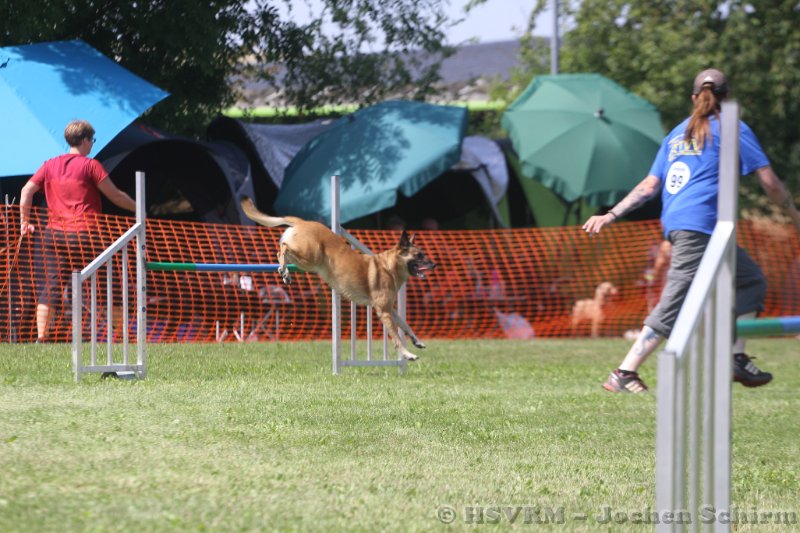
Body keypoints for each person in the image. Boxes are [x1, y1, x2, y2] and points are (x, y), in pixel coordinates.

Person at [582, 68, 800, 393]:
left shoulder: (677, 134)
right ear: (728, 97)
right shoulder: (733, 127)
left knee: (750, 280)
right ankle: (624, 372)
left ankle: (736, 357)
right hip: (701, 225)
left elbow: (649, 186)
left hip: (687, 224)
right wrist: (794, 214)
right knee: (676, 298)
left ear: (694, 97)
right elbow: (770, 183)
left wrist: (612, 213)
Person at [20, 119, 137, 342]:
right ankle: (122, 335)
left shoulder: (49, 165)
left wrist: (24, 222)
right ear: (84, 140)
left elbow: (26, 191)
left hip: (54, 236)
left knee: (51, 287)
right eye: (92, 140)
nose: (92, 144)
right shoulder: (91, 165)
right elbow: (115, 195)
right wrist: (138, 207)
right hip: (86, 235)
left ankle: (41, 337)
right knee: (107, 285)